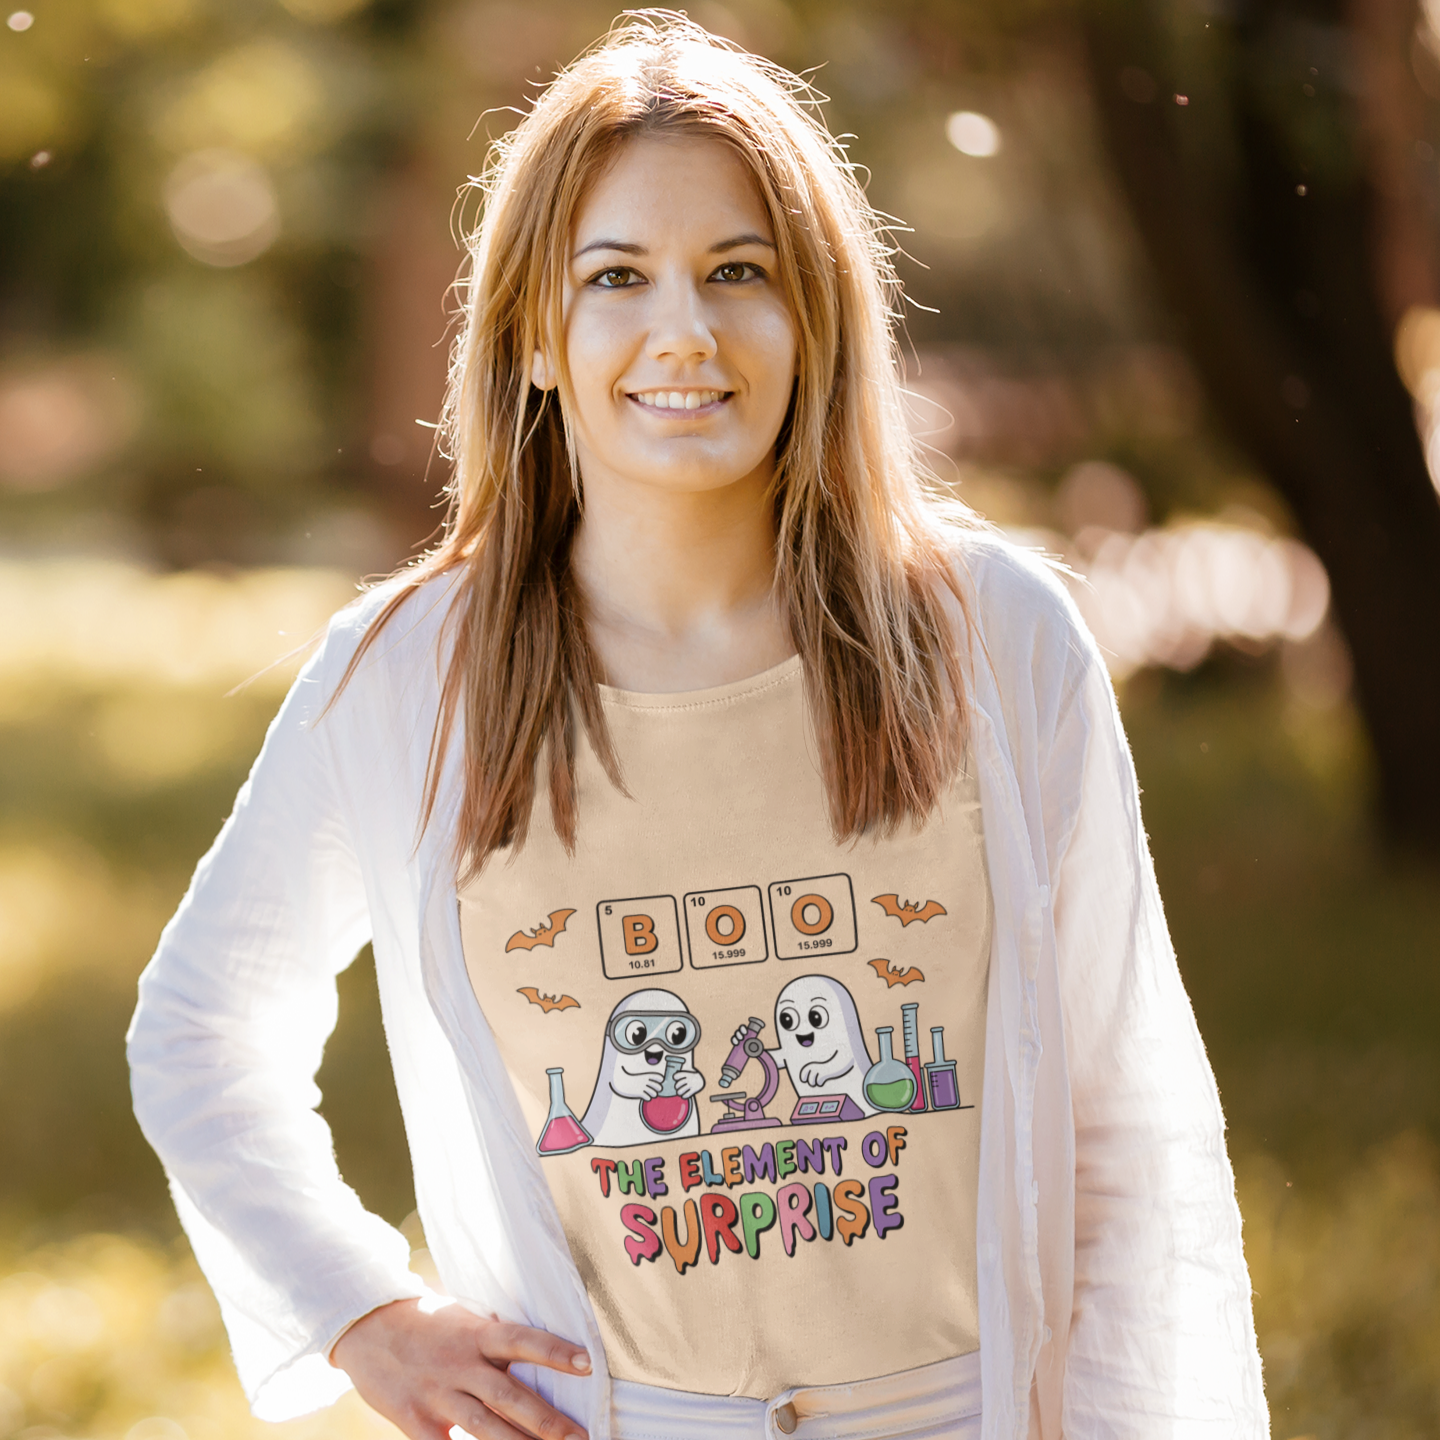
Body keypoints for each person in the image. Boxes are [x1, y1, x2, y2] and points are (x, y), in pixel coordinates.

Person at [127, 14, 1268, 1440]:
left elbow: (1125, 1134)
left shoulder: (995, 636)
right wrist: (361, 1312)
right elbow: (200, 1027)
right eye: (617, 278)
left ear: (818, 318)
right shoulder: (412, 675)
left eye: (741, 272)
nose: (685, 332)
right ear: (538, 338)